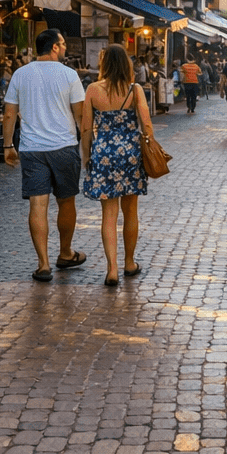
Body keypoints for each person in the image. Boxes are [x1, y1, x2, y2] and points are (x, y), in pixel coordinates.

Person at [3, 28, 88, 282]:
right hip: (64, 147)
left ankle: (43, 264)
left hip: (32, 150)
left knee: (37, 205)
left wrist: (8, 145)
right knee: (66, 201)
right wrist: (84, 147)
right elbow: (81, 115)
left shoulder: (20, 74)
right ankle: (65, 252)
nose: (64, 48)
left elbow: (9, 113)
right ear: (54, 47)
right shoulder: (70, 75)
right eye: (62, 44)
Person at [80, 45, 153, 286]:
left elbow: (86, 128)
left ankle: (111, 270)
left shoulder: (92, 89)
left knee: (108, 215)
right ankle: (129, 263)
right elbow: (146, 124)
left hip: (103, 153)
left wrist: (87, 156)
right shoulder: (135, 90)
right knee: (130, 211)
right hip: (130, 154)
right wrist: (150, 147)